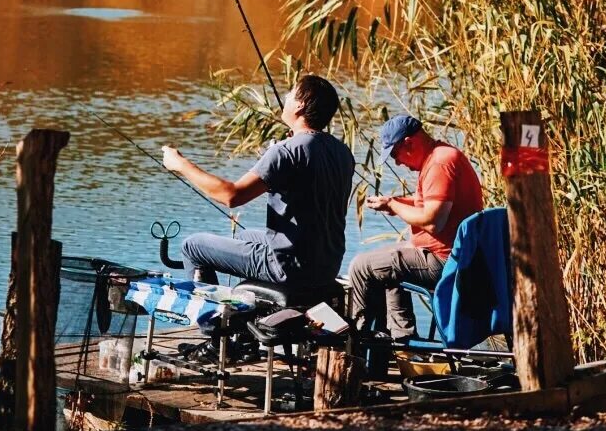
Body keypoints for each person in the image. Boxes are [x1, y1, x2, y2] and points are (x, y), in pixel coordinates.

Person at [161, 74, 355, 289]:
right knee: (246, 236)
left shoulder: (286, 151)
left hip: (289, 267)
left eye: (290, 93)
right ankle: (258, 311)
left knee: (193, 246)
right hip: (327, 264)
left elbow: (231, 196)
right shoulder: (342, 152)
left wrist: (180, 164)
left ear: (300, 105)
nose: (286, 96)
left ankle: (212, 319)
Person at [348, 113, 483, 340]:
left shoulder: (440, 163)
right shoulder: (441, 155)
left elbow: (433, 221)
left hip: (445, 262)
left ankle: (359, 341)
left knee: (361, 266)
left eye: (395, 155)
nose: (398, 162)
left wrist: (393, 204)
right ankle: (403, 343)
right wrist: (394, 204)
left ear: (409, 143)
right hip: (453, 256)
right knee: (383, 266)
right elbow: (432, 203)